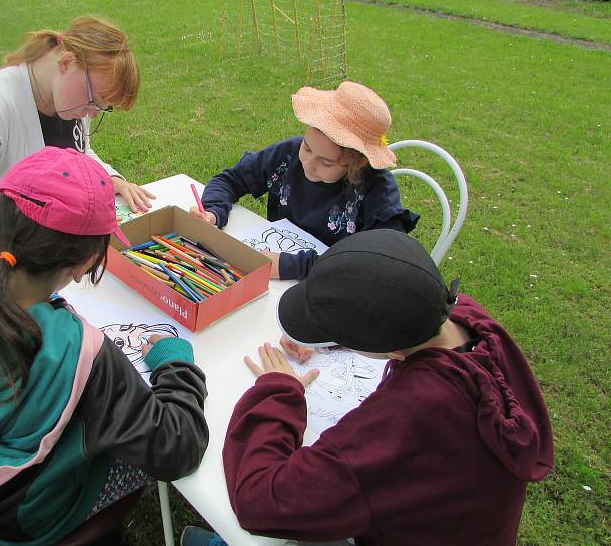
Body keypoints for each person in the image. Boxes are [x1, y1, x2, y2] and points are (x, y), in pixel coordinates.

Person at [0, 147, 208, 546]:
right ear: (86, 262)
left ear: (2, 224)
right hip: (32, 518)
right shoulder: (83, 355)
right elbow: (177, 447)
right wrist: (173, 362)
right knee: (132, 455)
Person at [183, 229, 554, 546]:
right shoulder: (466, 320)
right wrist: (331, 338)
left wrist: (278, 390)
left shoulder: (415, 412)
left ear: (388, 346)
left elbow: (260, 500)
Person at [0, 15, 155, 248]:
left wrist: (109, 177)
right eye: (94, 100)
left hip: (62, 257)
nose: (93, 113)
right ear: (66, 63)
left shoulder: (70, 100)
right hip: (14, 257)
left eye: (101, 106)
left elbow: (79, 151)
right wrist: (55, 232)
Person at [189, 80, 418, 282]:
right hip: (272, 276)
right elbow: (232, 178)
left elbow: (377, 262)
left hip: (328, 289)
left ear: (356, 163)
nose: (308, 164)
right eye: (307, 148)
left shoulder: (378, 192)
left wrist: (291, 266)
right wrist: (213, 211)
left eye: (326, 163)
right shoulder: (288, 154)